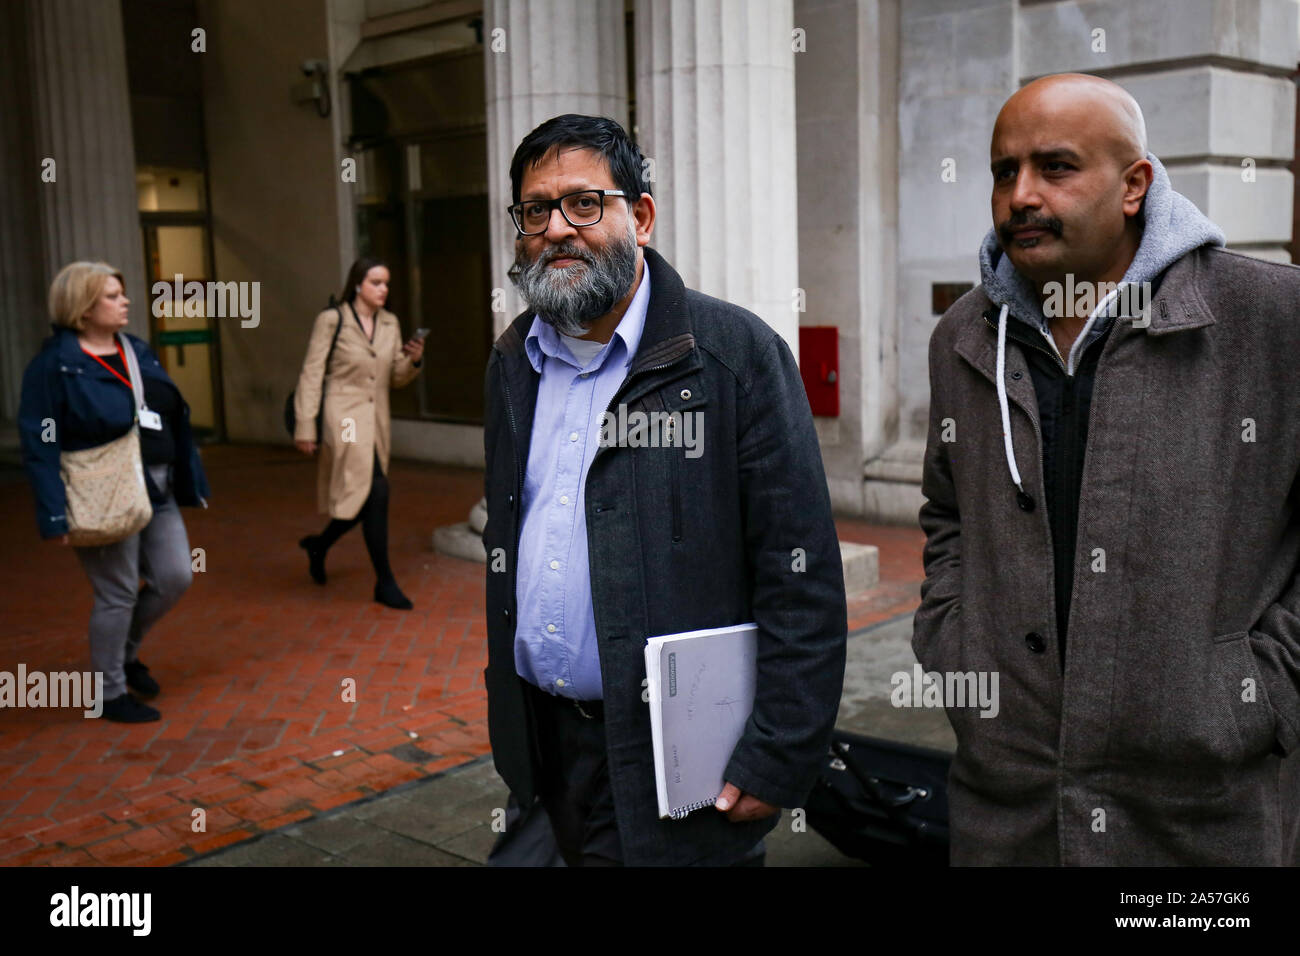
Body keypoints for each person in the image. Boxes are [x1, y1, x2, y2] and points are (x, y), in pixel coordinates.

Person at [915, 73, 1300, 864]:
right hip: (1008, 800)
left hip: (1201, 809)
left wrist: (1258, 690)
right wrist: (952, 640)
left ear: (1134, 186)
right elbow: (947, 513)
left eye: (1055, 167)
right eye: (1002, 170)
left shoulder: (1270, 318)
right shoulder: (961, 335)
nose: (1020, 194)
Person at [482, 114, 848, 866]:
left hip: (676, 760)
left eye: (584, 204)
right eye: (535, 210)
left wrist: (779, 754)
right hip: (544, 760)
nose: (557, 229)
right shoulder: (512, 361)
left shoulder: (732, 358)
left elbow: (798, 572)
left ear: (639, 217)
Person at [18, 261, 210, 723]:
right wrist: (53, 515)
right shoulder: (55, 367)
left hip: (156, 487)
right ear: (83, 308)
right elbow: (40, 443)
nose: (124, 301)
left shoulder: (136, 350)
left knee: (175, 576)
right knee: (118, 592)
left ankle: (123, 653)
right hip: (102, 491)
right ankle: (107, 693)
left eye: (122, 293)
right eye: (111, 295)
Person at [293, 258, 424, 609]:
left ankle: (318, 546)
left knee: (362, 498)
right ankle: (385, 581)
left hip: (376, 422)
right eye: (376, 282)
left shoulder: (390, 322)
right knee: (376, 490)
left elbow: (393, 377)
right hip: (343, 421)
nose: (383, 289)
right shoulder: (332, 320)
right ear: (357, 285)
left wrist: (412, 360)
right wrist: (305, 424)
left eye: (386, 284)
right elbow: (311, 372)